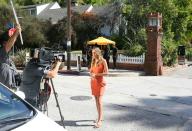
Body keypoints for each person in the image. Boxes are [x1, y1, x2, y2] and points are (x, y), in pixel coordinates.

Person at [90, 47, 108, 128]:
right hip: (93, 83)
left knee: (99, 101)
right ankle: (99, 117)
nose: (93, 55)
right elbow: (91, 71)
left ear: (98, 53)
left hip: (100, 83)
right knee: (96, 101)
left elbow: (106, 73)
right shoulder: (93, 61)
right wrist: (91, 74)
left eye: (94, 53)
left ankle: (100, 120)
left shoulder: (103, 61)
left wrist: (96, 75)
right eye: (92, 53)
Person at [0, 24, 21, 89]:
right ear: (4, 43)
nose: (12, 45)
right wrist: (16, 33)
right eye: (8, 41)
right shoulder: (2, 52)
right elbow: (8, 45)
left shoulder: (6, 57)